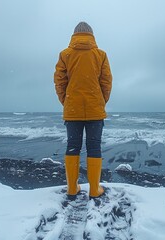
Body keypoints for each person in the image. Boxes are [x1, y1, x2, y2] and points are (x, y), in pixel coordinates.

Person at [54, 22, 112, 199]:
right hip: (95, 109)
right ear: (91, 35)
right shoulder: (100, 55)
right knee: (94, 147)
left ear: (74, 35)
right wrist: (101, 101)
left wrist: (67, 101)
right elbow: (106, 82)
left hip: (72, 109)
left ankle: (72, 188)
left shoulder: (65, 54)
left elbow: (59, 82)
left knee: (73, 146)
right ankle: (95, 190)